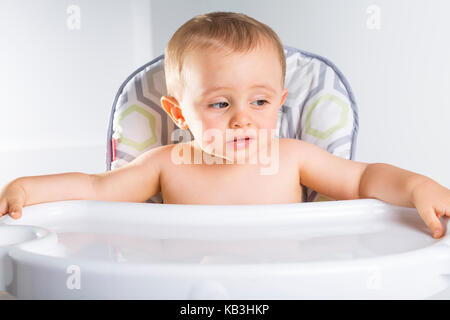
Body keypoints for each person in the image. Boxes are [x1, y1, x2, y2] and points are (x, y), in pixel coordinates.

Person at [1, 12, 449, 239]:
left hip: (283, 285)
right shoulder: (167, 163)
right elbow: (97, 189)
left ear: (280, 103)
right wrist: (28, 188)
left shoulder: (293, 158)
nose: (242, 118)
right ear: (178, 114)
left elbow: (366, 177)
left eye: (260, 101)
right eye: (219, 103)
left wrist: (416, 188)